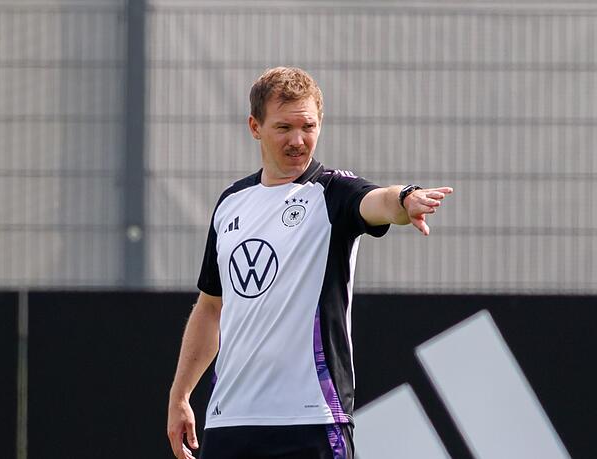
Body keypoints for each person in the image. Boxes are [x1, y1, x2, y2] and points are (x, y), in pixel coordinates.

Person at [167, 67, 453, 459]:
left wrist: (406, 198)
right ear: (255, 127)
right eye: (284, 127)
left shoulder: (333, 193)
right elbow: (211, 307)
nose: (298, 140)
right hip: (229, 422)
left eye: (308, 127)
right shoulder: (231, 202)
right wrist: (180, 395)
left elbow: (380, 201)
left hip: (312, 421)